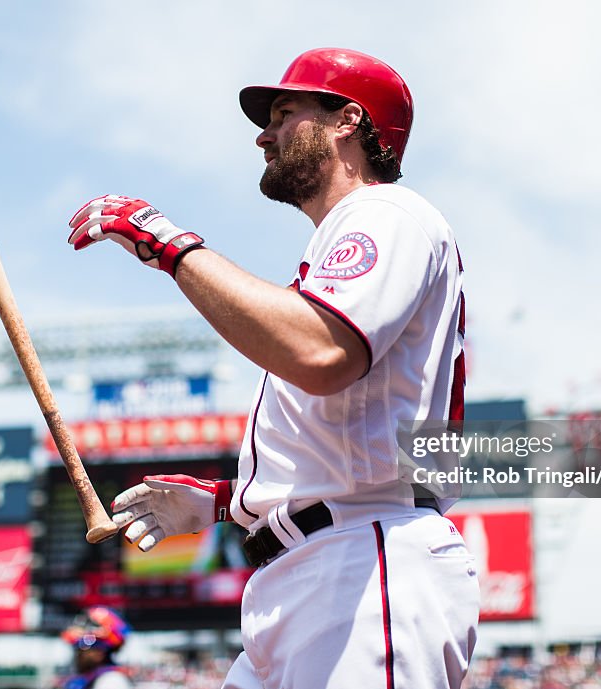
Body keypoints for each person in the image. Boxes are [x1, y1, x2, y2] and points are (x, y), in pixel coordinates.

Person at [67, 47, 480, 689]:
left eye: (286, 112)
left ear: (347, 121)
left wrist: (168, 244)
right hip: (303, 573)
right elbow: (345, 426)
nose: (264, 134)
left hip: (364, 566)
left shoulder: (387, 213)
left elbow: (319, 354)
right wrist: (230, 504)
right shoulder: (341, 239)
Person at [60, 606, 133, 689]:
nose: (78, 656)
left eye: (82, 651)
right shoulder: (89, 679)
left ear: (100, 653)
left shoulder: (110, 681)